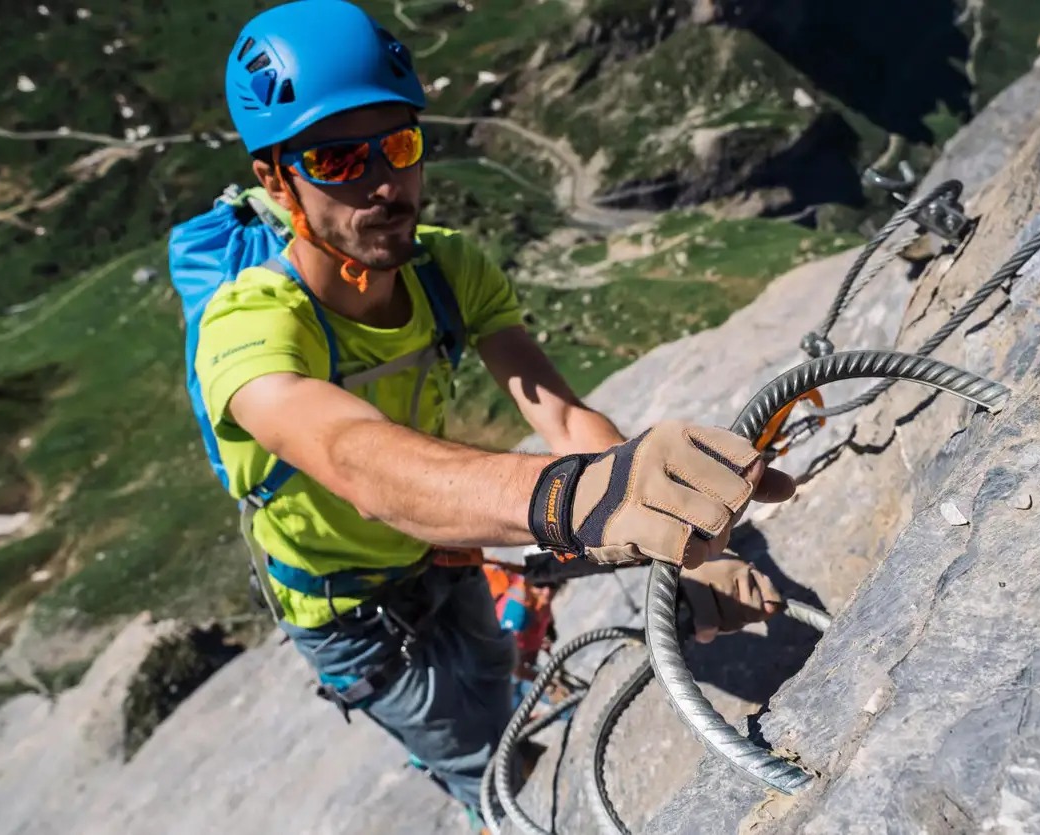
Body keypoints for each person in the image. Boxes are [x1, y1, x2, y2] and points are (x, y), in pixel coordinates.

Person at [202, 0, 796, 826]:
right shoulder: (250, 325)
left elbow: (555, 409)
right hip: (350, 616)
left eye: (399, 146)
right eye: (337, 162)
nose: (384, 184)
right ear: (276, 178)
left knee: (494, 685)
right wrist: (567, 500)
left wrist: (677, 531)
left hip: (444, 550)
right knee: (491, 770)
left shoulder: (446, 267)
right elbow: (353, 458)